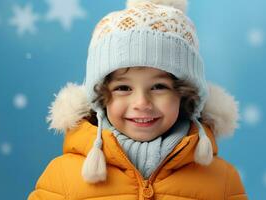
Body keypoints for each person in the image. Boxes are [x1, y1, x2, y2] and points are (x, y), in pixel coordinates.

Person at [28, 0, 248, 199]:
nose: (141, 103)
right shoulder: (63, 178)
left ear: (185, 94)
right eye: (123, 88)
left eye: (159, 86)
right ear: (100, 97)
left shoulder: (222, 181)